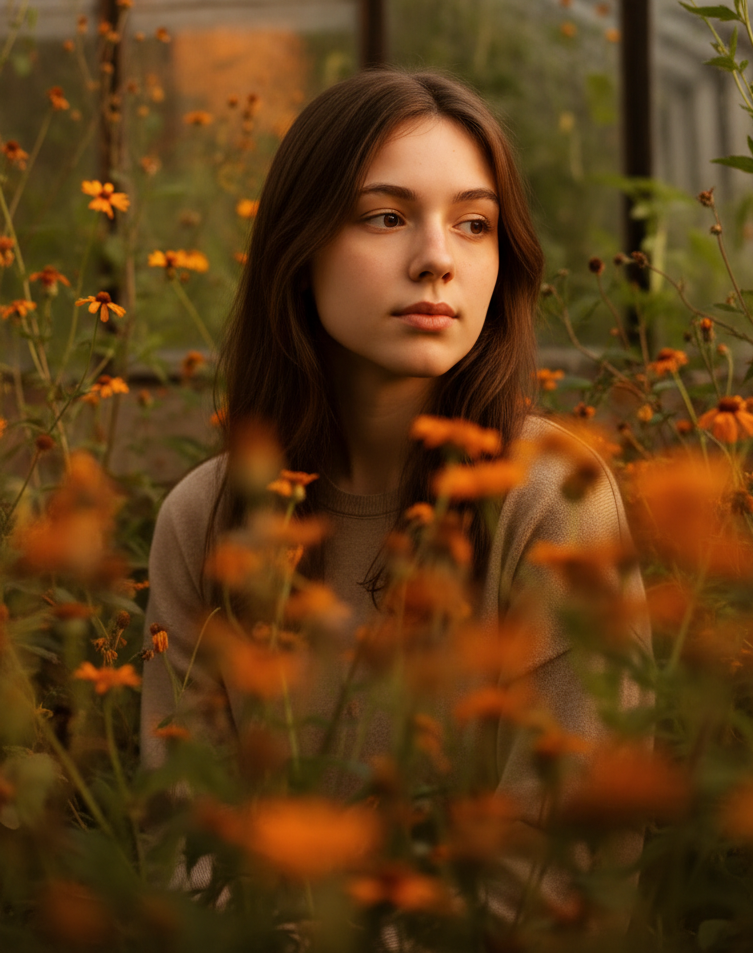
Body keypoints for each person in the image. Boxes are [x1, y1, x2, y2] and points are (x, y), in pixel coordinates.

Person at [141, 68, 650, 918]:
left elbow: (562, 869)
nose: (437, 259)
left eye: (475, 224)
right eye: (386, 217)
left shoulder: (554, 499)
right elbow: (186, 846)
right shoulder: (204, 519)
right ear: (298, 251)